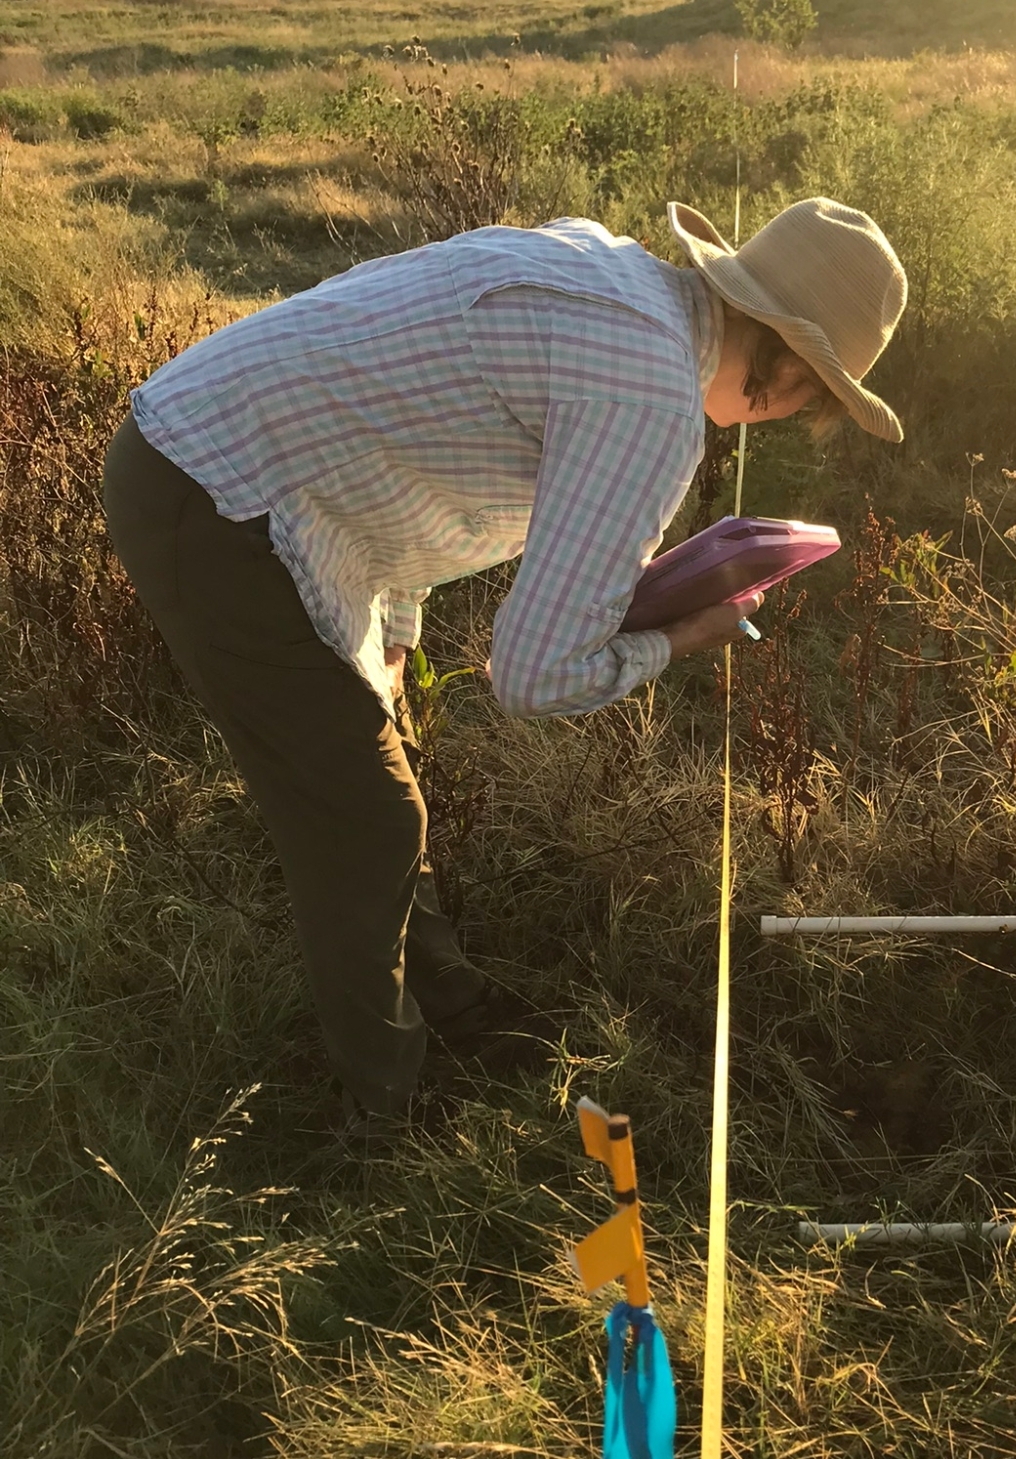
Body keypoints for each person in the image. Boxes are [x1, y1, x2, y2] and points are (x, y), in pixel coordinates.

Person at [102, 195, 907, 1130]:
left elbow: (402, 399)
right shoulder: (649, 394)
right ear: (789, 366)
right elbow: (531, 676)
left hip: (227, 461)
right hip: (218, 498)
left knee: (378, 778)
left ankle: (454, 1005)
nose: (788, 417)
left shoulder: (603, 265)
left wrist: (396, 616)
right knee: (365, 816)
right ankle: (384, 1109)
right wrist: (681, 637)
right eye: (816, 394)